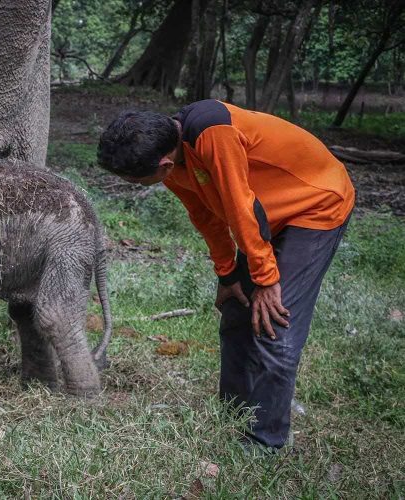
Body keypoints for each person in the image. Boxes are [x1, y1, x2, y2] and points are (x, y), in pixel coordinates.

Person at [97, 99, 355, 449]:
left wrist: (266, 280)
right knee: (237, 311)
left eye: (135, 180)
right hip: (266, 216)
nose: (134, 184)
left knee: (275, 322)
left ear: (163, 164)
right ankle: (235, 411)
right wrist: (228, 274)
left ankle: (265, 440)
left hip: (316, 203)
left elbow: (240, 207)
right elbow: (206, 216)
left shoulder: (212, 132)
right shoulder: (172, 162)